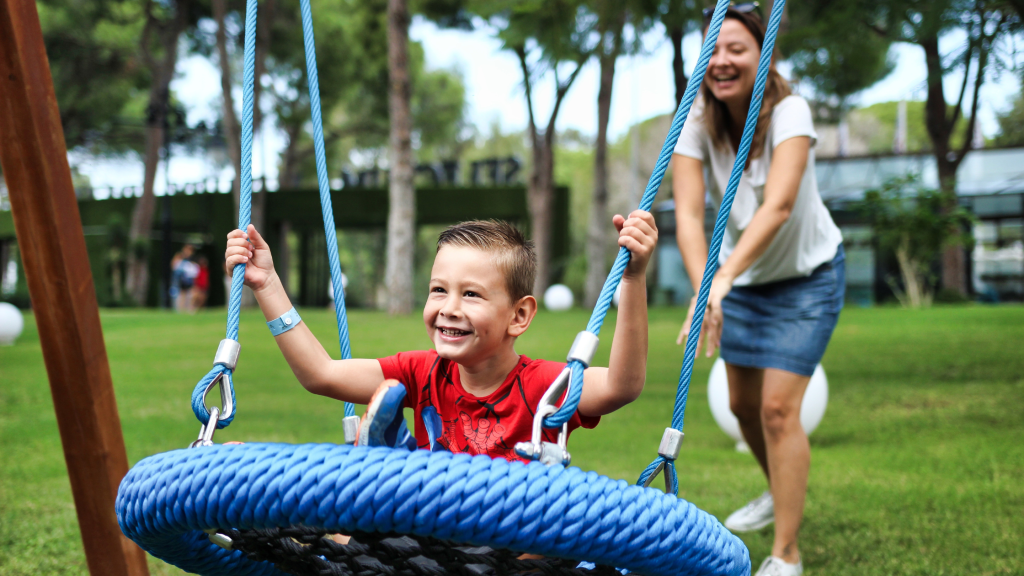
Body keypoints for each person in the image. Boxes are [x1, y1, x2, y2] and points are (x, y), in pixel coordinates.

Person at [223, 216, 657, 460]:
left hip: (510, 548)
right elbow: (320, 374)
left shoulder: (545, 387)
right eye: (438, 290)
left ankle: (391, 459)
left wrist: (633, 280)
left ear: (519, 316)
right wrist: (268, 284)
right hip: (432, 545)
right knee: (346, 524)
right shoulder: (419, 373)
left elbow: (622, 386)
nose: (448, 307)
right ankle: (385, 462)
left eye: (471, 294)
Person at [671, 5, 845, 576]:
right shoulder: (696, 120)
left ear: (763, 56)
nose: (722, 61)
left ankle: (786, 554)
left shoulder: (790, 110)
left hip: (807, 279)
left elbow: (780, 206)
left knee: (775, 409)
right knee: (743, 405)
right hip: (739, 281)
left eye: (737, 49)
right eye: (713, 50)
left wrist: (720, 280)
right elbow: (691, 220)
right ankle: (779, 489)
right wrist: (706, 292)